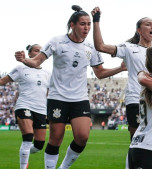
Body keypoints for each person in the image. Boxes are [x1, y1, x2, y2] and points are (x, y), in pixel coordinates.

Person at [15, 5, 125, 169]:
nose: (86, 27)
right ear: (72, 25)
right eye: (82, 24)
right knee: (56, 139)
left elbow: (100, 72)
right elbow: (36, 61)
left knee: (82, 137)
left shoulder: (91, 47)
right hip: (57, 97)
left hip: (80, 98)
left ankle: (63, 167)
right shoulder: (57, 41)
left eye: (88, 24)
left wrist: (121, 68)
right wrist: (24, 60)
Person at [91, 6, 152, 140]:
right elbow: (100, 46)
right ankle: (133, 160)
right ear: (139, 30)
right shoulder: (128, 48)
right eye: (148, 24)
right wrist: (96, 21)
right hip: (135, 97)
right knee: (136, 136)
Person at [0, 44, 51, 169]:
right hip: (24, 105)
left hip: (40, 109)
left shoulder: (47, 73)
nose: (39, 52)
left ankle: (25, 154)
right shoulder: (21, 68)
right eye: (36, 50)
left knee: (39, 145)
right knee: (28, 137)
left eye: (41, 51)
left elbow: (50, 93)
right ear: (29, 54)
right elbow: (2, 81)